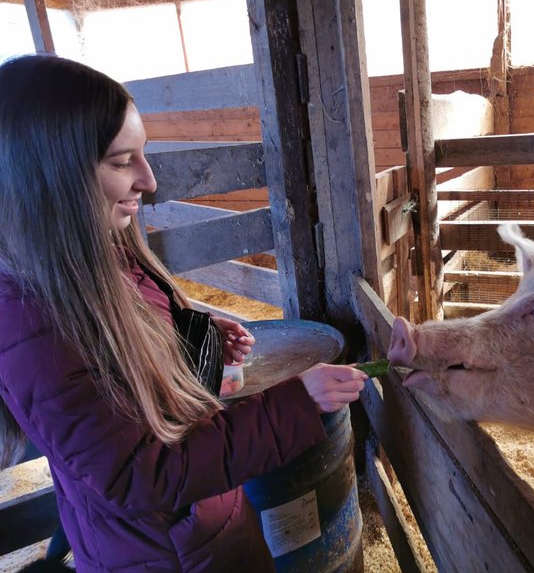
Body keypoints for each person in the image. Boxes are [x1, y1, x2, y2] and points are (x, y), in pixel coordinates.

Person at [0, 54, 368, 573]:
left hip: (200, 529)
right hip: (160, 553)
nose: (148, 181)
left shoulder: (98, 255)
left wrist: (197, 340)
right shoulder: (30, 320)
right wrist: (298, 403)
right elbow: (142, 472)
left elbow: (130, 371)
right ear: (49, 177)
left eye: (142, 155)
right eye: (121, 161)